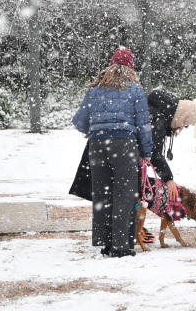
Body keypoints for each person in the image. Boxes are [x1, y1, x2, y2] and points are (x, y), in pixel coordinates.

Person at [72, 47, 153, 258]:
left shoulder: (95, 90)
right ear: (131, 68)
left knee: (102, 193)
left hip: (97, 145)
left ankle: (105, 242)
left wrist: (96, 128)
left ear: (110, 65)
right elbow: (144, 125)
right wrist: (146, 152)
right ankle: (121, 245)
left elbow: (79, 121)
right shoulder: (135, 90)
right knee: (125, 194)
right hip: (124, 145)